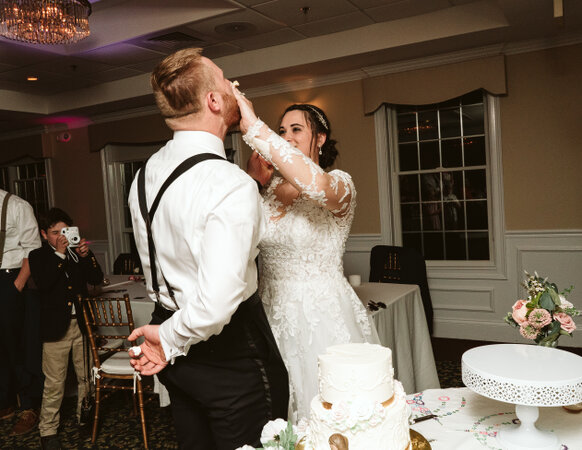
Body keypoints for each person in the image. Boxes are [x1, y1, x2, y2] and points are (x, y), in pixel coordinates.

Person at [126, 48, 289, 450]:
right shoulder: (229, 184)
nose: (234, 87)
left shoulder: (143, 175)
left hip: (175, 348)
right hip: (229, 354)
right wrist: (168, 338)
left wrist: (168, 336)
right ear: (214, 101)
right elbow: (215, 305)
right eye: (225, 80)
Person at [233, 93, 380, 421]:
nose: (286, 137)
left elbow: (316, 186)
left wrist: (255, 129)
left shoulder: (339, 184)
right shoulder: (266, 191)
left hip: (320, 317)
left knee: (331, 414)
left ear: (320, 138)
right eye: (281, 131)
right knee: (270, 413)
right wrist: (253, 182)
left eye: (296, 129)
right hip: (268, 315)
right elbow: (238, 240)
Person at [28, 208, 103, 450]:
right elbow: (44, 283)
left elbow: (96, 278)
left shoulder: (77, 253)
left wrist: (87, 255)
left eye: (64, 231)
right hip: (55, 330)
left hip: (81, 325)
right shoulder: (37, 256)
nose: (61, 236)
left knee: (85, 378)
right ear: (43, 234)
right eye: (54, 232)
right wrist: (60, 255)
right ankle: (48, 431)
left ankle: (85, 419)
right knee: (54, 383)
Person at [0, 189, 42, 436]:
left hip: (11, 278)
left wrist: (16, 286)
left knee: (18, 346)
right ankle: (5, 402)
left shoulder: (17, 205)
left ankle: (28, 407)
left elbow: (32, 251)